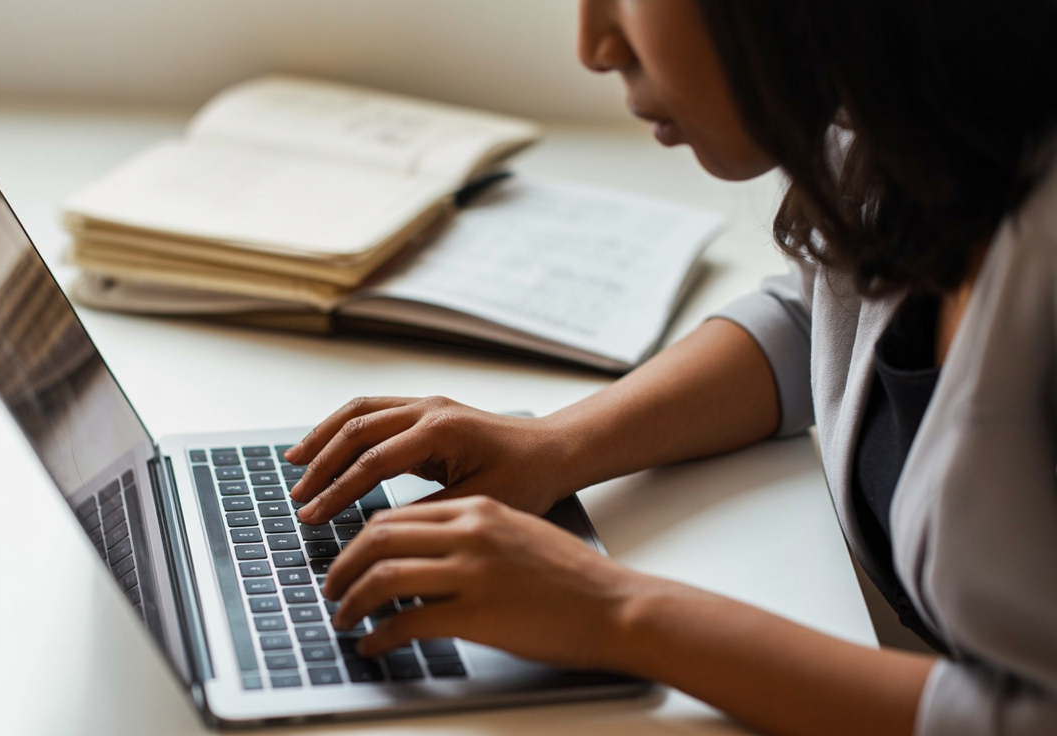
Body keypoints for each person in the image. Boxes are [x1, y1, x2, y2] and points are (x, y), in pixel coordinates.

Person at [284, 1, 1057, 734]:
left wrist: (617, 615)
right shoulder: (892, 123)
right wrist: (554, 447)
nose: (595, 48)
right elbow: (821, 318)